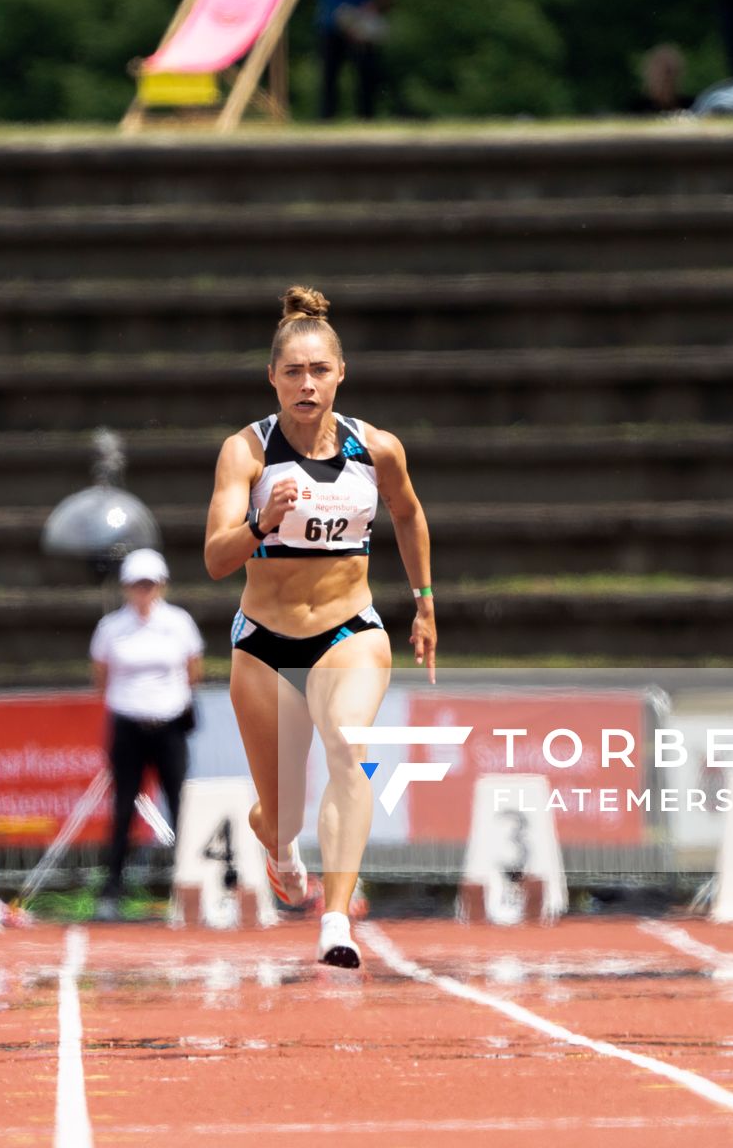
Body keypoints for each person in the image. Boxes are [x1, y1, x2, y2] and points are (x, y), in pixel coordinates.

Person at [203, 287, 436, 968]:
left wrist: (423, 600)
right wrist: (260, 523)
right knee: (282, 817)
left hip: (348, 631)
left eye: (319, 371)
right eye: (293, 372)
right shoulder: (246, 452)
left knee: (346, 744)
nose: (307, 384)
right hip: (265, 644)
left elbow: (410, 516)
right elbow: (216, 559)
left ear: (341, 374)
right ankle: (278, 845)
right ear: (272, 378)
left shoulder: (377, 448)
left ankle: (336, 918)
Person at [89, 547, 204, 923]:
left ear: (162, 586)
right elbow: (101, 675)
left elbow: (193, 669)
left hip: (169, 723)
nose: (144, 592)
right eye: (138, 585)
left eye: (150, 585)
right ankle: (112, 889)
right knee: (123, 808)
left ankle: (190, 884)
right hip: (128, 724)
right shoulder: (111, 628)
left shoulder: (179, 622)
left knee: (180, 804)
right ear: (126, 588)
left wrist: (170, 701)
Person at [627, 44, 696, 115]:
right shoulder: (636, 109)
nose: (664, 79)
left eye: (669, 73)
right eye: (659, 73)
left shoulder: (692, 106)